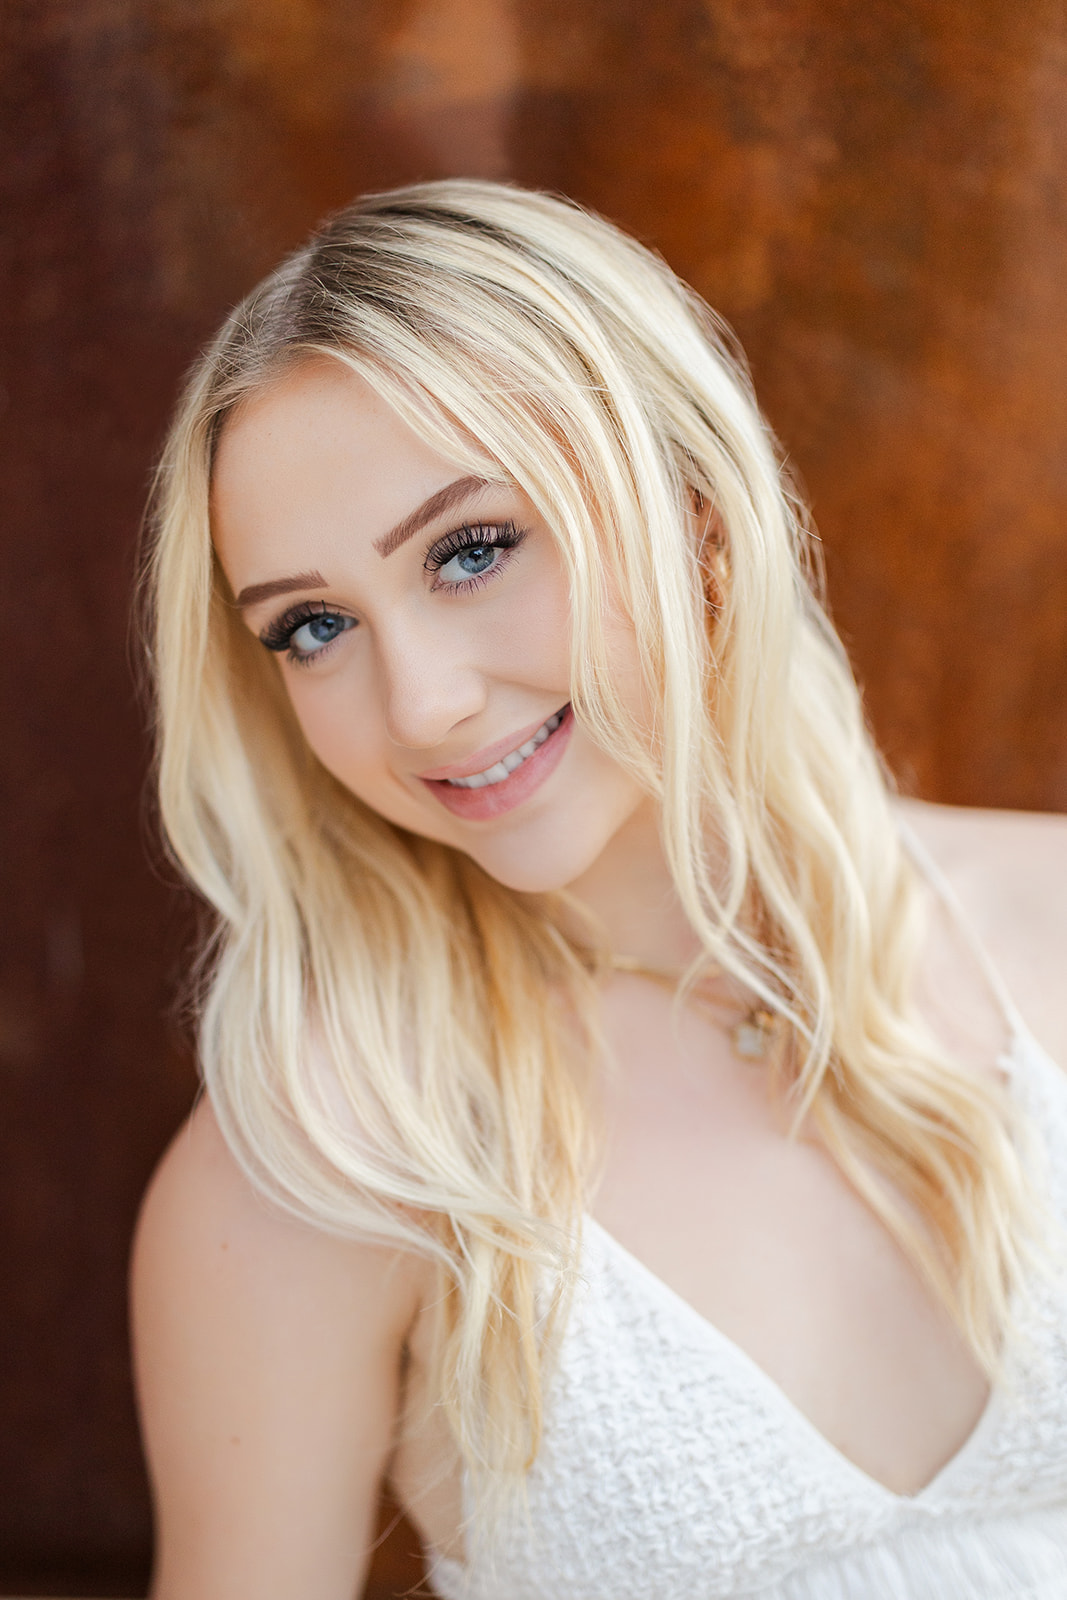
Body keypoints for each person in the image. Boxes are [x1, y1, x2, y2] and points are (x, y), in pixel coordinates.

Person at [131, 179, 1067, 1599]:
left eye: (471, 550)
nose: (426, 706)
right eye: (314, 627)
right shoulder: (322, 1162)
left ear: (689, 513)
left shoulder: (1047, 921)